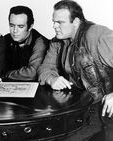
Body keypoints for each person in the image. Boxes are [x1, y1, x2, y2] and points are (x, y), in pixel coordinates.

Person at [38, 0, 113, 140]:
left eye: (59, 22)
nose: (54, 26)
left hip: (106, 111)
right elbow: (45, 68)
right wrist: (51, 79)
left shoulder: (98, 36)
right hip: (83, 108)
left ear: (76, 22)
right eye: (54, 21)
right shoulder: (58, 42)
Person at [2, 5, 49, 82]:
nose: (15, 31)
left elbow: (32, 74)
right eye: (12, 25)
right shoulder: (5, 39)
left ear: (30, 27)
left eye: (20, 26)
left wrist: (5, 74)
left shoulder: (40, 43)